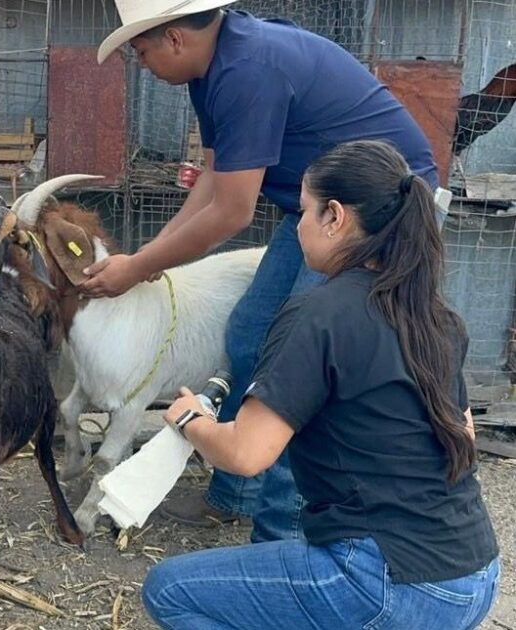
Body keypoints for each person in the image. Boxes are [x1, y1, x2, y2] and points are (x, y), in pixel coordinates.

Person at [88, 1, 442, 541]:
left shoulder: (247, 70)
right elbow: (213, 180)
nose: (142, 64)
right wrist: (149, 258)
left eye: (141, 51)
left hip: (377, 213)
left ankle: (282, 525)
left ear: (176, 40)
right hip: (319, 209)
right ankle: (237, 492)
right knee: (252, 330)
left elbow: (232, 212)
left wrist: (137, 268)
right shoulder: (212, 70)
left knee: (300, 352)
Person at [142, 139, 500, 630]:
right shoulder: (436, 314)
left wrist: (191, 420)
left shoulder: (318, 314)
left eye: (304, 212)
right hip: (475, 573)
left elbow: (246, 455)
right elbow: (465, 437)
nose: (298, 226)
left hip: (386, 580)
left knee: (172, 590)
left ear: (335, 216)